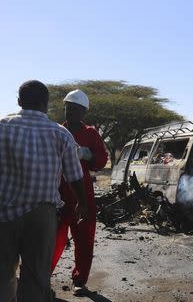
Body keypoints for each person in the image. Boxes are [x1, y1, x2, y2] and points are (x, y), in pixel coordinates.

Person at [0, 80, 87, 302]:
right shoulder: (61, 134)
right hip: (42, 215)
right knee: (36, 274)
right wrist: (82, 203)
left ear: (19, 102)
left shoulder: (2, 127)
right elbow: (75, 176)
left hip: (4, 214)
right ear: (46, 104)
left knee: (3, 273)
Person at [50, 90, 108, 296]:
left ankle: (79, 280)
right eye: (68, 108)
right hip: (57, 192)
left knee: (84, 238)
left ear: (84, 112)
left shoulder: (91, 134)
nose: (71, 112)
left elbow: (101, 161)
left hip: (83, 193)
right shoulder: (55, 130)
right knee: (52, 238)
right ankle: (43, 276)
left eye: (76, 109)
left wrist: (87, 153)